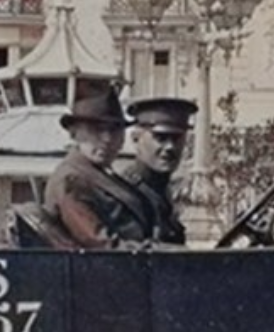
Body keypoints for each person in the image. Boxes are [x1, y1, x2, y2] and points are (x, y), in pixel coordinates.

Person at [43, 87, 153, 249]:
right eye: (96, 129)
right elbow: (100, 241)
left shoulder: (103, 175)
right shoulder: (71, 179)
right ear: (74, 133)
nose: (107, 139)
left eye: (114, 130)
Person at [117, 96, 196, 245]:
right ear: (136, 138)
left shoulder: (162, 190)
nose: (170, 147)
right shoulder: (127, 194)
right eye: (161, 138)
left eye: (176, 138)